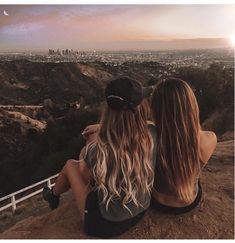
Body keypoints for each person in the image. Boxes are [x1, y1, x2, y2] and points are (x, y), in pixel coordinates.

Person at [43, 77, 157, 237]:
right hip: (141, 210)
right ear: (140, 107)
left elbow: (84, 173)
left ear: (108, 110)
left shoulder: (99, 149)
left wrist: (87, 148)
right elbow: (142, 124)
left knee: (71, 165)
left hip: (105, 225)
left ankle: (53, 195)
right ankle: (52, 194)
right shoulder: (152, 134)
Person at [150, 77, 217, 214]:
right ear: (192, 106)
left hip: (157, 201)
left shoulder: (148, 139)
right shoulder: (210, 138)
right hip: (190, 200)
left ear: (156, 108)